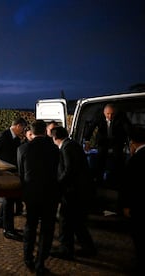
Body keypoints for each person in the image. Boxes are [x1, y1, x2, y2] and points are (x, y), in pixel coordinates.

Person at [17, 120, 60, 275]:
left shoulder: (23, 149)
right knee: (47, 229)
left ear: (32, 132)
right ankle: (40, 262)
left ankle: (28, 258)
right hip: (50, 193)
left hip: (32, 193)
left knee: (30, 225)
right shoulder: (54, 149)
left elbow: (21, 174)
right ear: (45, 131)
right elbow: (58, 172)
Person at [50, 126, 96, 260]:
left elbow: (69, 169)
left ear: (55, 137)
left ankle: (66, 250)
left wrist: (58, 183)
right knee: (77, 222)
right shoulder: (72, 145)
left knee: (65, 220)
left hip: (73, 191)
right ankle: (88, 248)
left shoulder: (67, 147)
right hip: (79, 190)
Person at [83, 103, 131, 212]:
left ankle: (118, 181)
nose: (110, 116)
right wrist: (87, 141)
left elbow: (128, 128)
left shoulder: (121, 116)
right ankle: (99, 182)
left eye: (112, 114)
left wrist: (132, 142)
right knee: (100, 159)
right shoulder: (99, 116)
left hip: (117, 140)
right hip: (103, 140)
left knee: (118, 159)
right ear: (104, 113)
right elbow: (91, 128)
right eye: (108, 114)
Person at [0, 117, 27, 241]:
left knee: (8, 199)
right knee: (9, 200)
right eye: (22, 128)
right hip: (4, 172)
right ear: (17, 126)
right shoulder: (3, 136)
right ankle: (8, 230)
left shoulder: (16, 139)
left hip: (12, 173)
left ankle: (0, 221)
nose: (23, 131)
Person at [120, 126, 145, 275]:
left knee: (140, 237)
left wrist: (126, 206)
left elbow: (128, 186)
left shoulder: (135, 160)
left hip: (139, 206)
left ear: (132, 143)